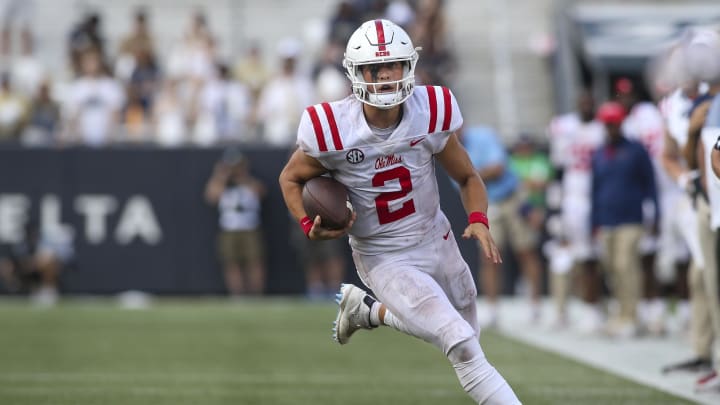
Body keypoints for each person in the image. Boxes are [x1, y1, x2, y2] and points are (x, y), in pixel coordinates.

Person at [279, 19, 520, 404]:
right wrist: (309, 224)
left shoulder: (431, 110)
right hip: (384, 254)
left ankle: (368, 312)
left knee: (467, 334)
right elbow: (290, 178)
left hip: (436, 237)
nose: (385, 76)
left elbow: (468, 176)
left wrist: (478, 220)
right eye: (375, 69)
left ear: (409, 66)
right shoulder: (334, 128)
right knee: (459, 343)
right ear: (356, 73)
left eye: (392, 65)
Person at [462, 126, 544, 326]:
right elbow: (462, 184)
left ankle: (535, 306)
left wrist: (471, 175)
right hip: (486, 203)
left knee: (525, 251)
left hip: (511, 197)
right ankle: (492, 309)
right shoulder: (445, 146)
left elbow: (497, 168)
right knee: (487, 256)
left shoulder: (482, 135)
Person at [591, 101, 659, 338]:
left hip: (631, 218)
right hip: (606, 219)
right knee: (612, 270)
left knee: (625, 266)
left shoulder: (636, 150)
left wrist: (655, 214)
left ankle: (631, 316)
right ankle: (620, 314)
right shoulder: (599, 153)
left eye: (614, 124)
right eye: (607, 124)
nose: (610, 128)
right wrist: (593, 221)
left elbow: (650, 184)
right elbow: (595, 188)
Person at [546, 90, 605, 331]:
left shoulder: (603, 129)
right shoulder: (564, 127)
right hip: (572, 197)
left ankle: (595, 307)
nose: (586, 106)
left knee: (594, 257)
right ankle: (569, 309)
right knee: (569, 255)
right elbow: (558, 170)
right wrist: (556, 210)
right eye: (583, 102)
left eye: (590, 102)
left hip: (597, 196)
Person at [205, 148, 266, 296]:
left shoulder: (250, 182)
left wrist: (242, 177)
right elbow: (211, 197)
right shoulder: (222, 184)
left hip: (250, 227)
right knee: (231, 263)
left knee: (254, 261)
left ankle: (256, 294)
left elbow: (261, 192)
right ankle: (237, 295)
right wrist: (221, 176)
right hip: (229, 229)